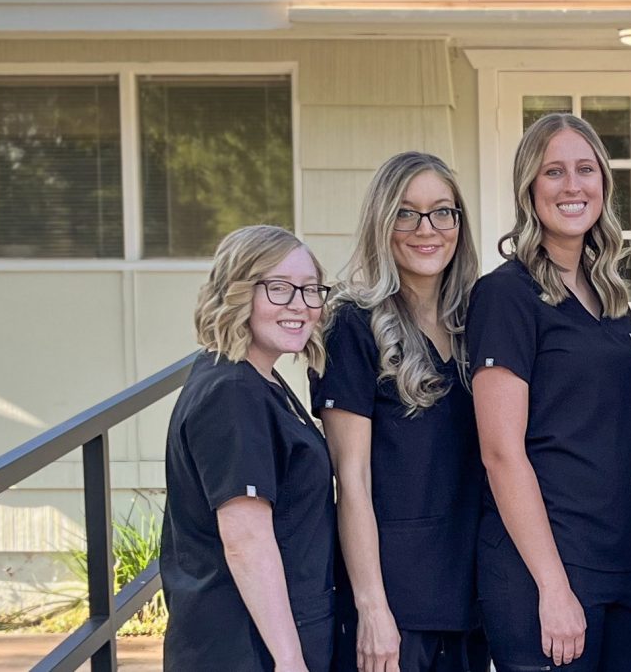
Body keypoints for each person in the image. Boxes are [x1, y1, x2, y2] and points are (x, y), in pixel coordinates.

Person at [469, 113, 631, 672]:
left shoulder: (612, 297)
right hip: (545, 568)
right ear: (529, 187)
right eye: (553, 172)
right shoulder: (505, 295)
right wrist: (552, 587)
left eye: (585, 169)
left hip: (627, 562)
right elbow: (501, 454)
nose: (572, 186)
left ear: (604, 182)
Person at [314, 152, 488, 672]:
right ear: (381, 222)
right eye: (406, 213)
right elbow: (352, 480)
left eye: (442, 212)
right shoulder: (352, 326)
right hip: (395, 607)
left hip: (472, 596)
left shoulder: (477, 323)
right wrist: (372, 609)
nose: (426, 228)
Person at [163, 225, 340, 672]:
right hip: (246, 649)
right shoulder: (232, 393)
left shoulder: (257, 378)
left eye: (310, 289)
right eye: (279, 288)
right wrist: (289, 659)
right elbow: (246, 539)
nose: (299, 304)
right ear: (238, 292)